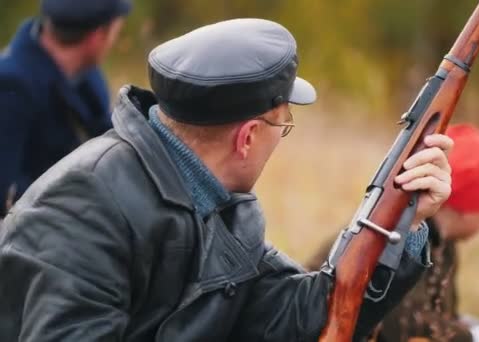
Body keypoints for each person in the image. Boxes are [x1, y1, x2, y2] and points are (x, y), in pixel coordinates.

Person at [0, 18, 453, 341]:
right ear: (248, 137)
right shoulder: (84, 206)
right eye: (284, 123)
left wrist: (406, 220)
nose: (281, 139)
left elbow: (305, 316)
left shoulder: (225, 205)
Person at [306, 123, 479, 342]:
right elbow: (402, 324)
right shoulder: (395, 233)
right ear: (468, 208)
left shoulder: (443, 245)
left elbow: (438, 315)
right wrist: (473, 336)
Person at [0, 0, 131, 216]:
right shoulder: (10, 85)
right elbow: (5, 187)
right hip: (30, 233)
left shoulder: (85, 74)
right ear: (97, 37)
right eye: (116, 30)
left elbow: (107, 135)